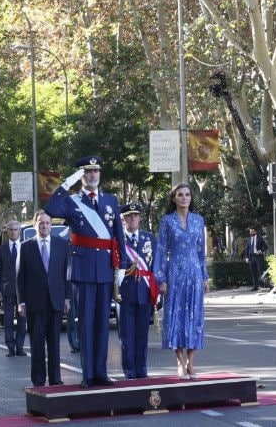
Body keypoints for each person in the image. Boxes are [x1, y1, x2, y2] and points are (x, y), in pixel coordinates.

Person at [45, 155, 127, 388]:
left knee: (102, 322)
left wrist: (121, 266)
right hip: (82, 269)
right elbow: (50, 209)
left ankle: (101, 372)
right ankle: (88, 374)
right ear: (81, 176)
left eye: (96, 171)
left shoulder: (111, 200)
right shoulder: (72, 201)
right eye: (87, 172)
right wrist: (67, 183)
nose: (92, 175)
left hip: (105, 268)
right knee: (86, 323)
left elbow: (117, 235)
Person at [155, 183, 209, 380]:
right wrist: (161, 278)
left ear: (191, 198)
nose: (184, 198)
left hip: (194, 274)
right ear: (173, 198)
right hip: (175, 274)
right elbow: (161, 250)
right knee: (175, 317)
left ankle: (191, 363)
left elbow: (202, 252)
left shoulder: (198, 221)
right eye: (180, 195)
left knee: (194, 317)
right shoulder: (166, 221)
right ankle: (179, 362)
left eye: (187, 194)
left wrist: (205, 276)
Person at [17, 210, 71, 387]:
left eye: (47, 223)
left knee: (54, 344)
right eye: (41, 223)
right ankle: (39, 381)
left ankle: (56, 380)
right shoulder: (26, 246)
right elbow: (20, 277)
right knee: (37, 344)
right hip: (34, 303)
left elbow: (66, 274)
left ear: (51, 225)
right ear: (35, 225)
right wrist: (21, 301)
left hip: (56, 301)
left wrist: (67, 298)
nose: (45, 226)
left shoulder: (62, 244)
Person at [117, 202, 158, 379]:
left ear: (140, 218)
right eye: (129, 216)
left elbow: (156, 264)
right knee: (127, 336)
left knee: (142, 336)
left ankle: (142, 370)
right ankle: (129, 371)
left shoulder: (149, 238)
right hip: (125, 292)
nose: (133, 219)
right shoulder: (118, 240)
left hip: (145, 291)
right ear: (123, 220)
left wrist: (158, 289)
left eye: (135, 215)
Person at [0, 220, 27, 357]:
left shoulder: (26, 247)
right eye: (10, 230)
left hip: (23, 291)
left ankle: (20, 347)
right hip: (7, 290)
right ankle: (10, 347)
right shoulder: (1, 249)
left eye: (15, 230)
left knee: (22, 320)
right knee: (7, 320)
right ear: (7, 232)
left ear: (19, 231)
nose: (13, 232)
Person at [245, 226, 268, 291]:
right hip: (251, 257)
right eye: (250, 231)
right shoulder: (249, 239)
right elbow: (247, 249)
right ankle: (255, 286)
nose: (251, 232)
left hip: (258, 257)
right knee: (253, 272)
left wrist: (260, 251)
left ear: (255, 231)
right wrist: (247, 257)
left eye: (252, 231)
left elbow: (266, 247)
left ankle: (263, 286)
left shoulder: (260, 238)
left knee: (260, 271)